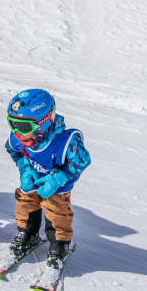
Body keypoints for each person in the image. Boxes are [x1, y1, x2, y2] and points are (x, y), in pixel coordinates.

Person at [5, 89, 91, 269]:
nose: (16, 132)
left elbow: (82, 161)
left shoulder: (66, 141)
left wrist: (60, 177)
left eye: (23, 127)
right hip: (35, 178)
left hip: (58, 185)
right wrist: (25, 169)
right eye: (12, 124)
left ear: (43, 123)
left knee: (57, 210)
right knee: (25, 202)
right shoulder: (19, 138)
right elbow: (14, 151)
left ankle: (59, 244)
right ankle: (27, 234)